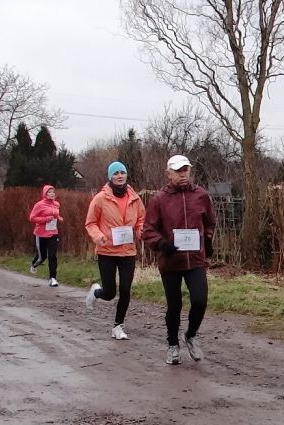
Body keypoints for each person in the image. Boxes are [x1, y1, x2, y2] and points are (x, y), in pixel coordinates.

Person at [143, 154, 216, 365]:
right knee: (174, 306)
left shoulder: (201, 195)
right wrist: (162, 244)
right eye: (178, 171)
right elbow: (148, 230)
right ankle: (173, 345)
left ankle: (190, 335)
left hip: (195, 259)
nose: (183, 174)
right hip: (171, 261)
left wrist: (208, 240)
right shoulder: (159, 199)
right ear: (168, 174)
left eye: (185, 170)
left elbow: (210, 222)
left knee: (200, 301)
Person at [84, 161, 145, 340]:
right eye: (116, 173)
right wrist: (98, 236)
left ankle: (118, 326)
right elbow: (90, 223)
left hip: (128, 251)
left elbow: (141, 219)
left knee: (125, 289)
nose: (119, 176)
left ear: (126, 175)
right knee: (110, 293)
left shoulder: (135, 198)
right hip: (107, 251)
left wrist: (140, 231)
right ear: (110, 177)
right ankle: (96, 292)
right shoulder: (100, 198)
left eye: (122, 172)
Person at [28, 185, 64, 287]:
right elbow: (32, 218)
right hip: (41, 234)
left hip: (53, 233)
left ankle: (53, 278)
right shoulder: (39, 205)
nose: (52, 194)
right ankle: (34, 264)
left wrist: (59, 217)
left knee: (52, 256)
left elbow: (55, 214)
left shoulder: (56, 204)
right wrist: (45, 219)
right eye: (49, 192)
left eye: (53, 192)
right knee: (42, 257)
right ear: (45, 194)